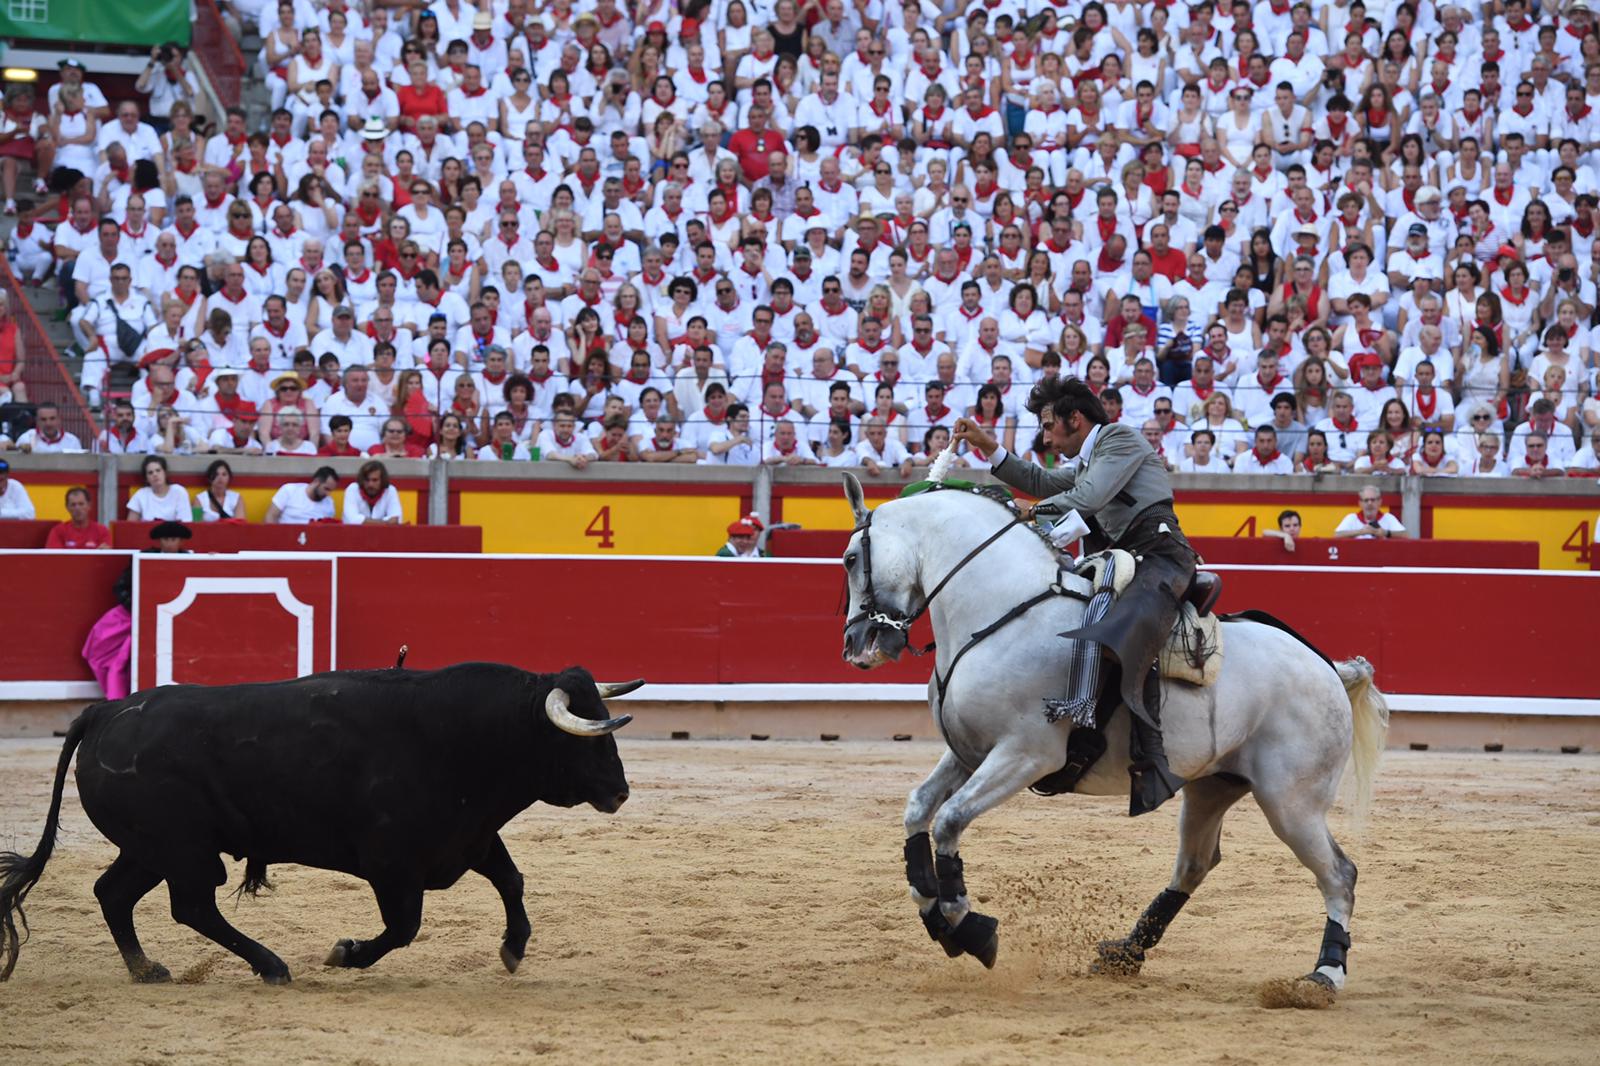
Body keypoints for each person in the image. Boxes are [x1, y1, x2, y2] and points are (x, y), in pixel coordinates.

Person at [953, 376, 1194, 814]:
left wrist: (1030, 511)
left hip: (1160, 555)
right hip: (1123, 557)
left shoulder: (1120, 439)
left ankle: (1150, 752)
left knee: (1126, 629)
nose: (1045, 437)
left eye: (1049, 426)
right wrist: (989, 446)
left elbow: (1087, 497)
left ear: (1075, 419)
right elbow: (1043, 480)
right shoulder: (1091, 459)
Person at [125, 454, 192, 521]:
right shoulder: (141, 494)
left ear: (165, 473)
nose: (155, 474)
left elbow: (185, 522)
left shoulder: (179, 492)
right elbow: (130, 526)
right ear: (146, 479)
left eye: (158, 470)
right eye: (150, 473)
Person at [264, 466, 339, 523]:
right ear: (316, 481)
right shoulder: (289, 490)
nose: (328, 494)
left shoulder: (329, 502)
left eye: (330, 491)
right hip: (286, 538)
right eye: (326, 489)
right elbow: (271, 516)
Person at [46, 486, 112, 547]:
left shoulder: (102, 531)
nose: (77, 508)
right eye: (73, 505)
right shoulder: (58, 532)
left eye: (81, 504)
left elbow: (106, 557)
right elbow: (53, 558)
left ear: (89, 505)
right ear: (67, 507)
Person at [343, 460, 403, 524]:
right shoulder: (353, 489)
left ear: (382, 480)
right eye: (367, 480)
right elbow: (352, 519)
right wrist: (385, 522)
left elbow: (396, 519)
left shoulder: (390, 490)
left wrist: (363, 521)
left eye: (375, 480)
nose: (370, 484)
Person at [1334, 486, 1405, 539]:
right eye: (1366, 500)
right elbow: (1337, 535)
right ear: (1360, 503)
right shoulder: (1352, 518)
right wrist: (1361, 532)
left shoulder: (1388, 518)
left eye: (1373, 500)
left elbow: (1405, 535)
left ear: (1379, 502)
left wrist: (1385, 533)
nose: (1369, 503)